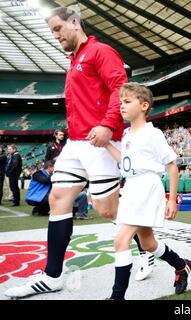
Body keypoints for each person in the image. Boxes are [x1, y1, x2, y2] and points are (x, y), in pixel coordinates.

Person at [4, 7, 147, 298]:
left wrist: (109, 125)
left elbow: (120, 89)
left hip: (100, 141)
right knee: (58, 199)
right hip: (76, 142)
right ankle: (52, 275)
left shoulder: (101, 51)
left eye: (58, 29)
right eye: (52, 31)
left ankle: (149, 249)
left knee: (107, 209)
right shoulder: (75, 60)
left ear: (74, 22)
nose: (55, 35)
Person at [104, 83, 191, 299]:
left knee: (121, 239)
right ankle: (181, 265)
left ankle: (117, 297)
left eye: (127, 102)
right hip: (132, 185)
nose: (121, 106)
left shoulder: (153, 134)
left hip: (146, 186)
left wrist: (172, 200)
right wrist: (107, 145)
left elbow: (172, 165)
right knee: (147, 243)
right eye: (121, 102)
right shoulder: (126, 134)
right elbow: (126, 164)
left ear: (144, 105)